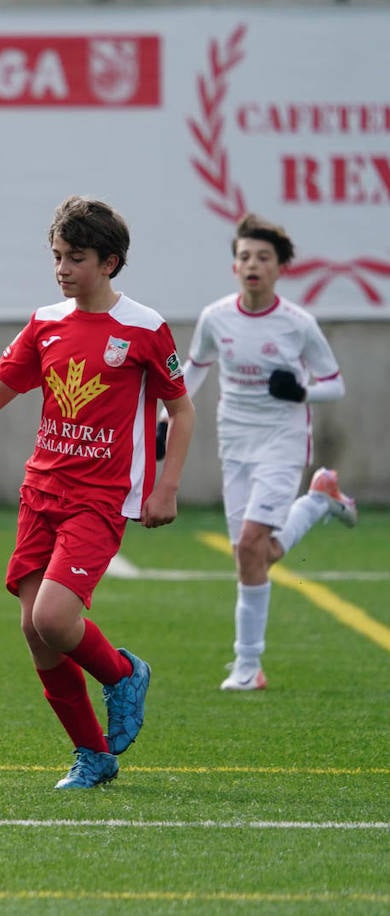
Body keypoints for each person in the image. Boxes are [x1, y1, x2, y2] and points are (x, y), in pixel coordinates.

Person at [0, 196, 194, 789]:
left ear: (110, 262)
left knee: (54, 616)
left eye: (76, 257)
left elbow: (182, 409)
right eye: (56, 256)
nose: (62, 268)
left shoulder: (145, 328)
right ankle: (92, 755)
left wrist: (167, 486)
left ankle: (123, 674)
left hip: (99, 500)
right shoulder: (45, 322)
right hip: (40, 492)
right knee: (35, 630)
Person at [163, 213, 356, 692]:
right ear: (234, 267)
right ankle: (317, 501)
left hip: (282, 442)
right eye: (245, 256)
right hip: (235, 441)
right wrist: (166, 418)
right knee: (253, 556)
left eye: (263, 257)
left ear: (278, 268)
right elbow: (196, 369)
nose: (253, 264)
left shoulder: (298, 324)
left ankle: (247, 666)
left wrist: (301, 392)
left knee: (252, 546)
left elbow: (335, 384)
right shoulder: (215, 317)